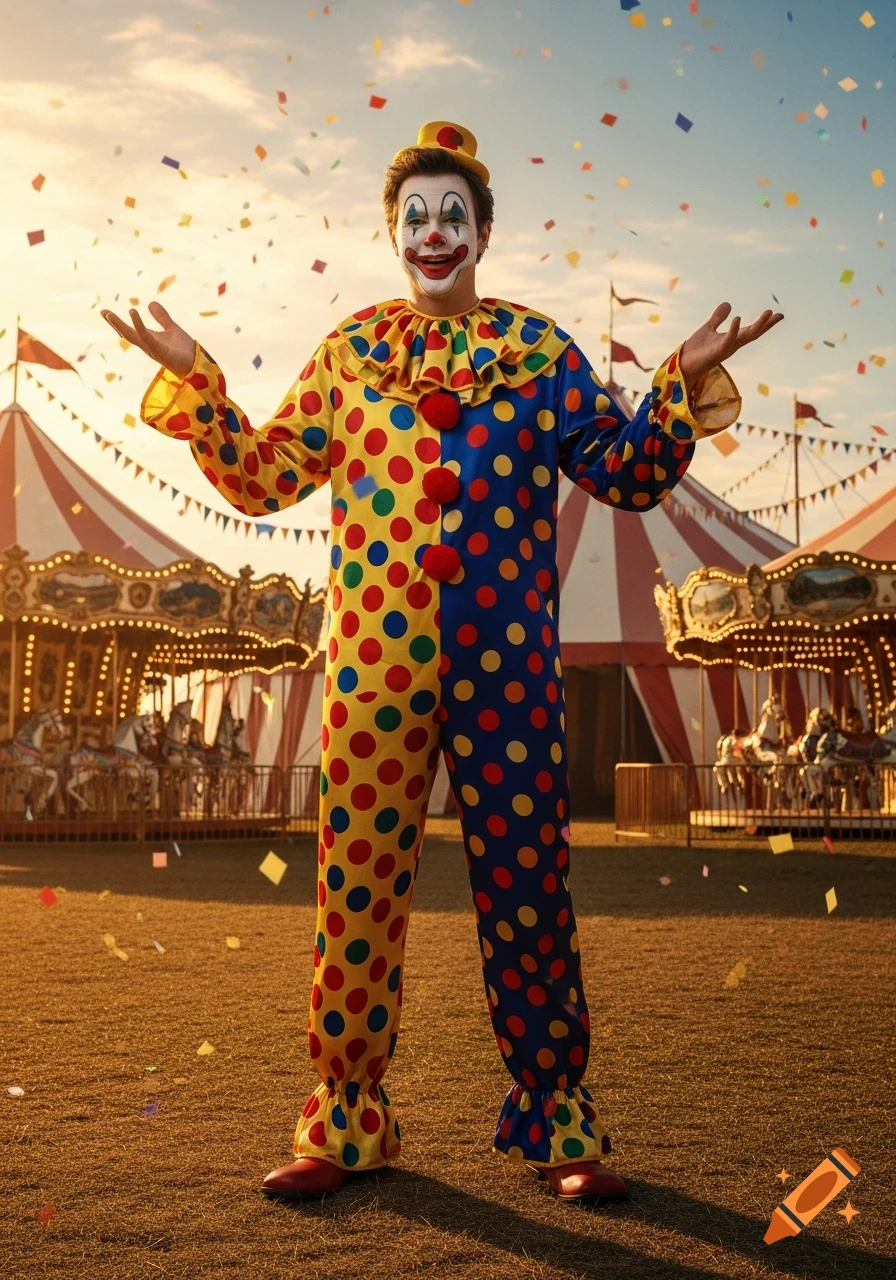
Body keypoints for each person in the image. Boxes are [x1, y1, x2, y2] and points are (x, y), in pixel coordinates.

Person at [102, 120, 783, 1203]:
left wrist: (677, 382)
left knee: (529, 889)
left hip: (508, 665)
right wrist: (200, 384)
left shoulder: (538, 352)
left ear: (482, 231)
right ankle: (342, 1118)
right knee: (352, 893)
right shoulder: (348, 354)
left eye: (450, 214)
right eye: (413, 215)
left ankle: (558, 1116)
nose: (432, 231)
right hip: (374, 665)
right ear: (390, 231)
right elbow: (264, 475)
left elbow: (629, 471)